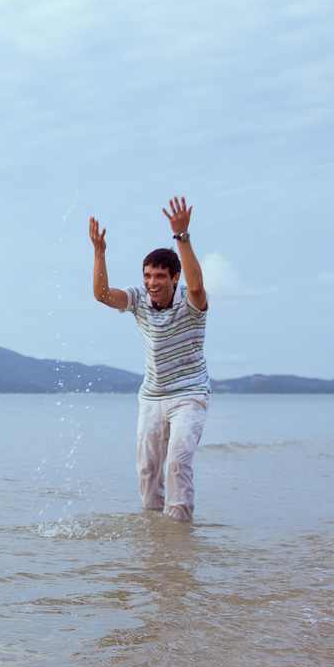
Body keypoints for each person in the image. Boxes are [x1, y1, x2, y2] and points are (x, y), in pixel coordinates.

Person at [90, 196, 209, 521]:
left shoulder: (190, 302)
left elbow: (197, 285)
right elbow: (102, 295)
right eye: (147, 275)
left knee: (177, 464)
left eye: (159, 276)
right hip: (152, 397)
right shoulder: (139, 298)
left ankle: (178, 534)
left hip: (189, 395)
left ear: (175, 277)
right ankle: (156, 535)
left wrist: (181, 236)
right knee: (147, 470)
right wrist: (100, 254)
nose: (151, 282)